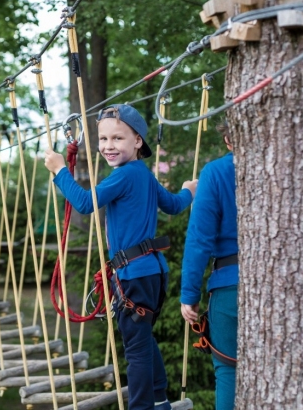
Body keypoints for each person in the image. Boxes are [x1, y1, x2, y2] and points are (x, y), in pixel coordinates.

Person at [44, 104, 197, 410]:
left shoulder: (125, 175)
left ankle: (143, 407)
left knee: (136, 347)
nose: (108, 146)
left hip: (134, 275)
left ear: (137, 141)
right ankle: (158, 399)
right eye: (103, 139)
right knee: (142, 337)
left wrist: (60, 170)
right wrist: (188, 191)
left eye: (117, 138)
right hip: (151, 273)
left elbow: (85, 203)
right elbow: (174, 205)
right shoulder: (144, 175)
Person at [180, 121, 238, 410]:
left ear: (228, 138)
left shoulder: (216, 172)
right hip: (289, 285)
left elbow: (200, 239)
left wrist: (189, 295)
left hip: (230, 287)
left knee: (229, 371)